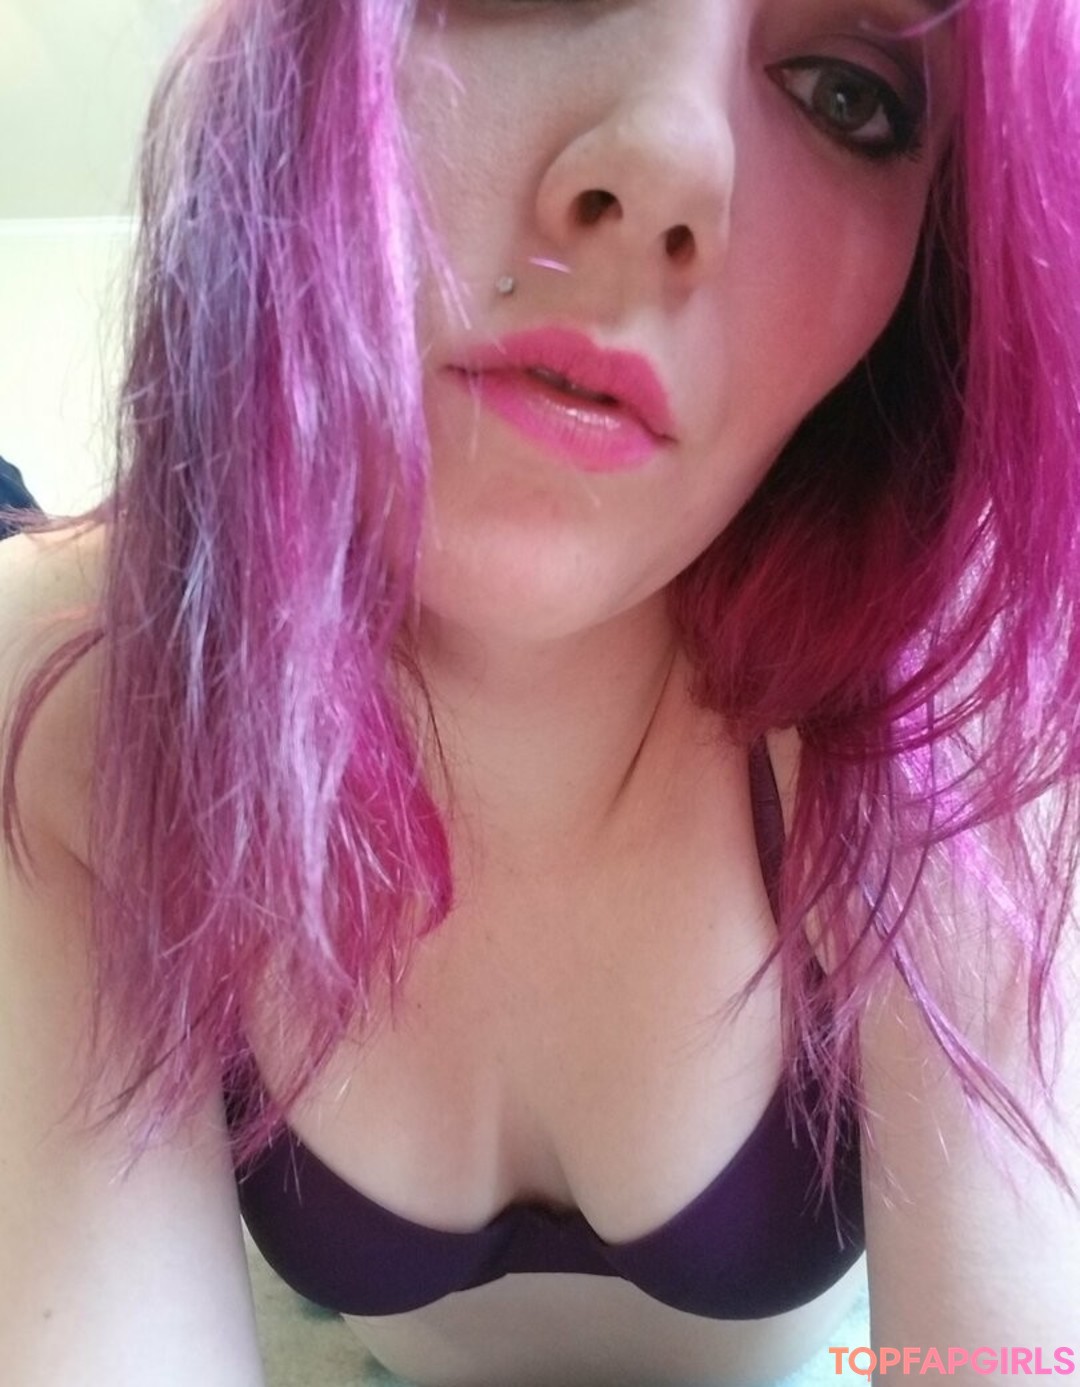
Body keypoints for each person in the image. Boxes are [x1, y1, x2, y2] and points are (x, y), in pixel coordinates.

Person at [1, 1, 1078, 1384]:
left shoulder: (946, 730)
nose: (666, 165)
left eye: (848, 96)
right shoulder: (80, 690)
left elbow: (1017, 1359)